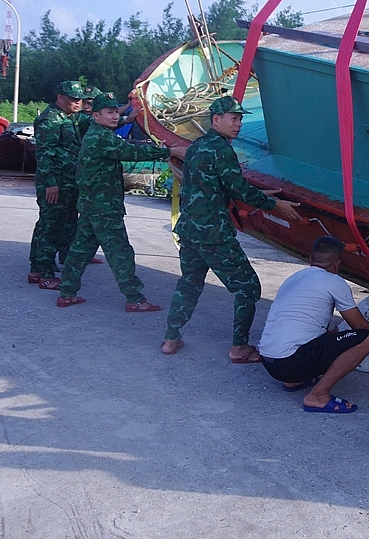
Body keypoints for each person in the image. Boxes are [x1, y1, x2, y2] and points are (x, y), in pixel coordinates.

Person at [161, 95, 302, 362]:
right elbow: (237, 188)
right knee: (248, 287)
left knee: (189, 283)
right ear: (216, 119)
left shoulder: (197, 146)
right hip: (213, 233)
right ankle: (239, 348)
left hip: (190, 229)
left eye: (240, 119)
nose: (238, 124)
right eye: (234, 119)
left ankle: (171, 338)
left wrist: (261, 191)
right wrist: (275, 205)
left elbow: (220, 184)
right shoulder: (222, 149)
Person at [55, 92, 187, 311]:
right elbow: (131, 152)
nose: (115, 116)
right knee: (120, 253)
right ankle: (134, 299)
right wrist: (169, 150)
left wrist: (129, 116)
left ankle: (66, 293)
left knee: (80, 251)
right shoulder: (102, 138)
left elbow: (119, 138)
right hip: (104, 207)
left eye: (116, 112)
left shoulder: (96, 132)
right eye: (110, 112)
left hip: (91, 205)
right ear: (96, 115)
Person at [258, 236, 369, 413]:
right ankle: (317, 395)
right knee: (365, 339)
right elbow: (359, 326)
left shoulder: (294, 278)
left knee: (330, 332)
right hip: (291, 363)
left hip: (270, 362)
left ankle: (295, 381)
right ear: (337, 264)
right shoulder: (334, 281)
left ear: (311, 259)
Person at [28, 80, 93, 289]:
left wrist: (129, 109)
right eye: (73, 99)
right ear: (60, 98)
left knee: (54, 223)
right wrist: (50, 184)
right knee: (51, 226)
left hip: (67, 181)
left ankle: (37, 268)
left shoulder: (71, 117)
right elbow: (44, 155)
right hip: (55, 183)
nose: (78, 102)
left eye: (79, 99)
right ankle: (45, 275)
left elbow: (98, 119)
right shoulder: (50, 119)